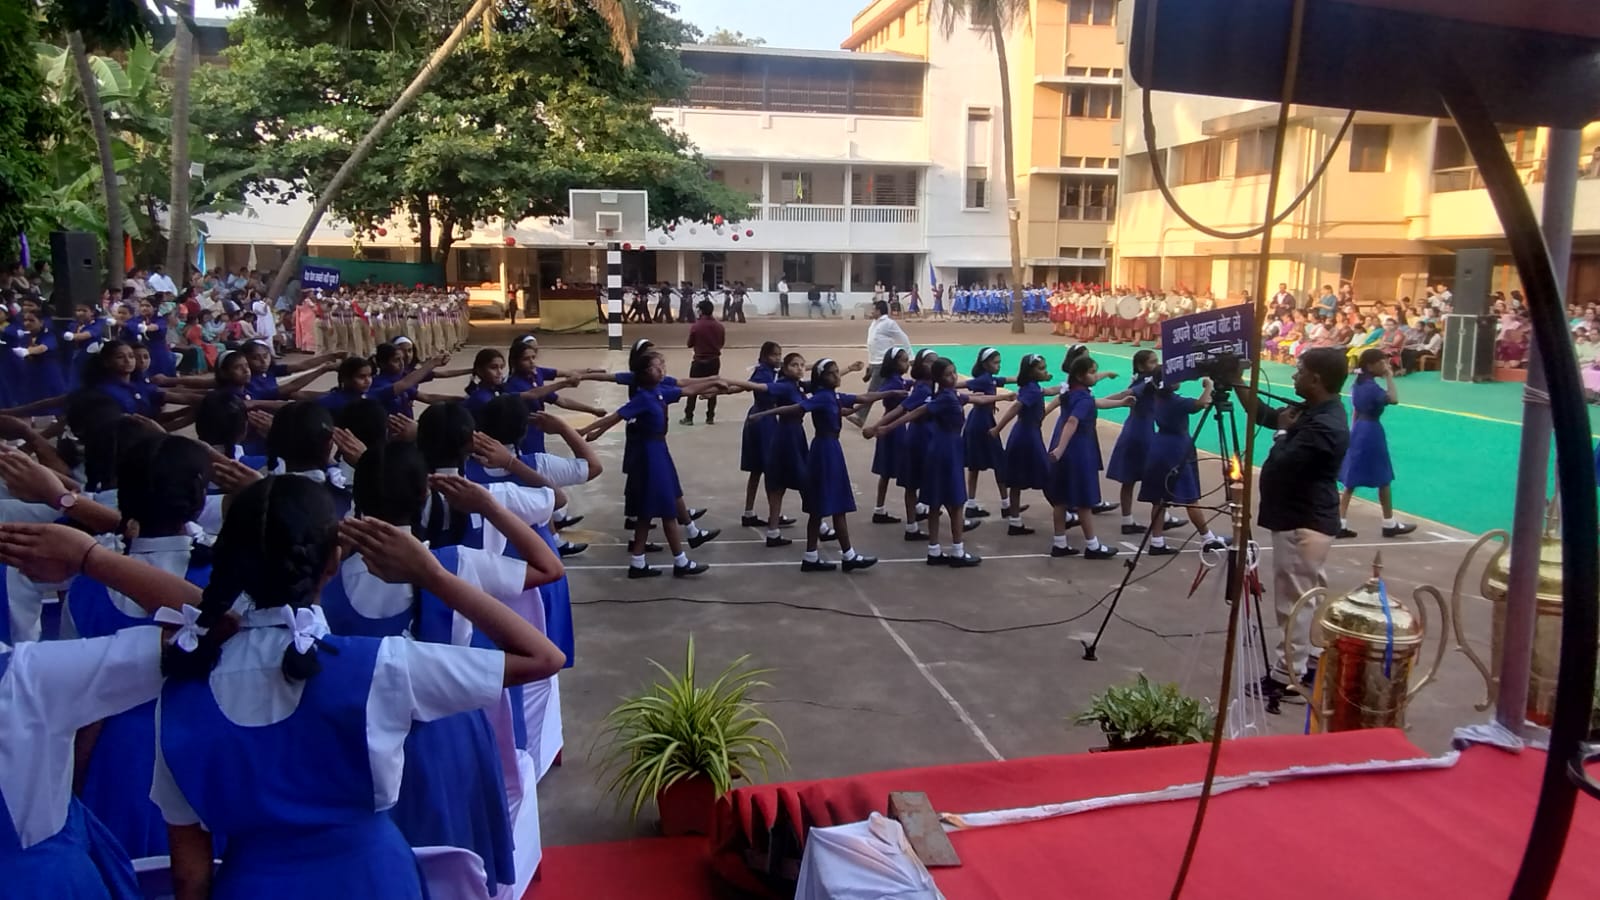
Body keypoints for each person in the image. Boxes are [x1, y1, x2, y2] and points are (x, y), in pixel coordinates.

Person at [1233, 346, 1352, 705]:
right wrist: (1237, 382)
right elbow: (1268, 415)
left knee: (1293, 604)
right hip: (1303, 518)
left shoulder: (1325, 426)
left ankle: (1288, 677)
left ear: (1315, 378)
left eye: (1299, 371)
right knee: (1307, 597)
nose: (1294, 376)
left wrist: (1284, 433)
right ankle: (1310, 660)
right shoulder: (1317, 411)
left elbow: (1284, 460)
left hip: (1303, 522)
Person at [750, 358, 900, 572]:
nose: (837, 376)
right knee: (834, 504)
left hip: (831, 448)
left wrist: (890, 393)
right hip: (825, 450)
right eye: (832, 373)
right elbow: (794, 407)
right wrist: (762, 414)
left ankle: (812, 556)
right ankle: (847, 555)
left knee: (819, 507)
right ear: (822, 377)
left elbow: (864, 397)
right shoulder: (822, 397)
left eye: (837, 372)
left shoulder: (833, 396)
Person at [584, 350, 719, 578]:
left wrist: (718, 383)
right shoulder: (643, 397)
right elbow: (615, 417)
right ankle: (681, 561)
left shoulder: (659, 392)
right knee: (667, 509)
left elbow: (688, 390)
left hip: (659, 450)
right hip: (649, 454)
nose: (662, 369)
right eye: (658, 366)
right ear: (645, 372)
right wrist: (589, 431)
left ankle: (638, 562)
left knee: (647, 512)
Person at [1046, 354, 1133, 559]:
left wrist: (1121, 402)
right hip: (1078, 451)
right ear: (1080, 375)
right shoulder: (1083, 398)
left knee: (1060, 500)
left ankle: (1059, 543)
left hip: (1065, 450)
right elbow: (1072, 422)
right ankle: (1092, 545)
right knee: (1084, 501)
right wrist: (1060, 449)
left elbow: (1097, 403)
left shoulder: (1070, 392)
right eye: (1092, 372)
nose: (1096, 376)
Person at [1138, 374, 1227, 555]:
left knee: (1159, 499)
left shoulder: (1157, 397)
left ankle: (1157, 541)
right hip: (1177, 450)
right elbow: (1200, 404)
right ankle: (1207, 538)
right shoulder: (1175, 402)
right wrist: (1209, 386)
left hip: (1159, 445)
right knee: (1190, 497)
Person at [1337, 349, 1417, 540]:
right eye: (1382, 363)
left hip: (1359, 429)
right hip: (1372, 431)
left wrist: (1353, 432)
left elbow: (1356, 411)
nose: (1385, 366)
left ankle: (1340, 522)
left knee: (1351, 478)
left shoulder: (1357, 384)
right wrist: (1389, 377)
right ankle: (1388, 522)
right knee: (1383, 476)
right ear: (1370, 366)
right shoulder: (1372, 388)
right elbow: (1394, 399)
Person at [989, 353, 1060, 536]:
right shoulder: (1032, 390)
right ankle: (1064, 515)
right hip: (1029, 436)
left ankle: (1015, 522)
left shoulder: (1031, 386)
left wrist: (1062, 386)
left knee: (1016, 480)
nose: (1045, 371)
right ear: (1030, 371)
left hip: (1022, 433)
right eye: (1041, 368)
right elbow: (1015, 407)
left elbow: (1049, 391)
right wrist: (998, 428)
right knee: (1047, 475)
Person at [961, 347, 1014, 520]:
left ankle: (971, 504)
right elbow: (963, 385)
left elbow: (1006, 379)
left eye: (999, 362)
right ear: (985, 364)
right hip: (981, 424)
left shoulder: (990, 379)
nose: (998, 365)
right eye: (995, 362)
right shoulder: (983, 380)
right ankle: (1006, 504)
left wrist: (1026, 377)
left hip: (980, 421)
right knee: (999, 462)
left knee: (975, 465)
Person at [851, 300, 911, 426]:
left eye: (873, 309)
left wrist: (910, 356)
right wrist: (870, 364)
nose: (871, 311)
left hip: (882, 362)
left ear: (879, 311)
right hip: (875, 361)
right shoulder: (874, 323)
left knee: (873, 391)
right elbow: (872, 344)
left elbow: (903, 337)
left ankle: (860, 417)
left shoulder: (889, 323)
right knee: (890, 388)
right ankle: (901, 411)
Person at [682, 299, 725, 426]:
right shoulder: (719, 326)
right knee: (713, 387)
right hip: (714, 361)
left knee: (693, 388)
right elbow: (721, 343)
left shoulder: (696, 326)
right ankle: (710, 417)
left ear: (701, 311)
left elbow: (689, 344)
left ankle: (689, 417)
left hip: (699, 361)